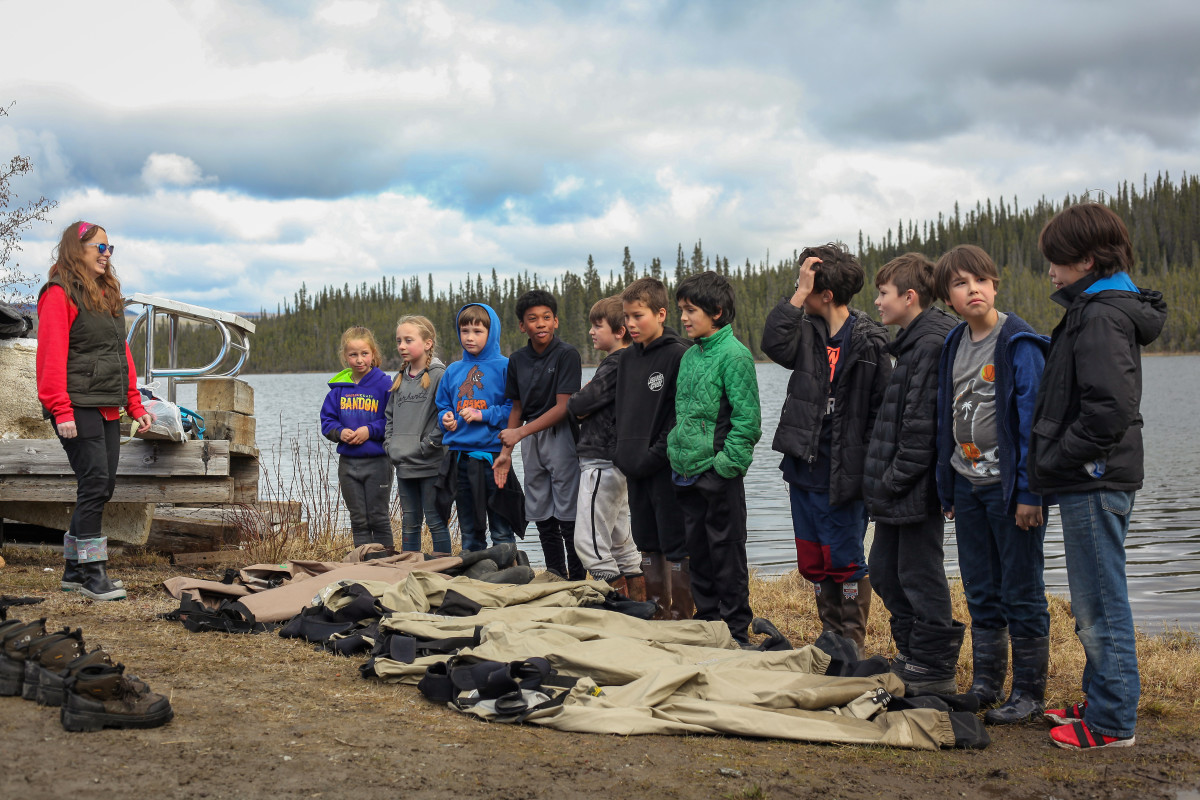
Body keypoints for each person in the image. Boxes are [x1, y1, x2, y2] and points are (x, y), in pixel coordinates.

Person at [1031, 203, 1165, 750]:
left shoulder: (1102, 315)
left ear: (1087, 260)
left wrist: (1060, 457)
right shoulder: (1099, 307)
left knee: (1100, 603)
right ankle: (1101, 698)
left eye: (1057, 262)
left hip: (1095, 477)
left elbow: (1108, 410)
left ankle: (1111, 724)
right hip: (1095, 477)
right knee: (1095, 598)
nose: (1050, 272)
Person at [934, 244, 1051, 723]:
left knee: (1020, 588)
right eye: (960, 284)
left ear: (995, 284)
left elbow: (1032, 425)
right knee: (980, 586)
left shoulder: (1018, 343)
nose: (972, 289)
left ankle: (1028, 693)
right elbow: (947, 417)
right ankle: (986, 683)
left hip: (1009, 489)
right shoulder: (954, 344)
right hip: (967, 484)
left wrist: (1029, 492)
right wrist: (947, 488)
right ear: (948, 299)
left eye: (979, 280)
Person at [761, 243, 891, 657]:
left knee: (845, 556)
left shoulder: (870, 341)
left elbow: (880, 413)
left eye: (807, 286)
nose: (800, 291)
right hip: (805, 465)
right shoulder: (806, 332)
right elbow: (771, 343)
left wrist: (872, 470)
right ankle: (829, 632)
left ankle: (851, 639)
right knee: (813, 557)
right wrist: (798, 294)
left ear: (827, 294)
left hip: (846, 471)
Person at [35, 221, 152, 602]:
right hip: (75, 405)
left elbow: (122, 354)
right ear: (76, 249)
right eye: (98, 248)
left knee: (103, 486)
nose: (105, 254)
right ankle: (91, 573)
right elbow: (50, 357)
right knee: (95, 483)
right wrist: (60, 410)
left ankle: (72, 570)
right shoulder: (58, 294)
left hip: (105, 405)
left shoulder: (106, 293)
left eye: (109, 248)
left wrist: (135, 404)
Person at [863, 253, 964, 693]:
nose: (878, 303)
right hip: (898, 489)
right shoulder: (912, 341)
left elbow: (921, 426)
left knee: (919, 574)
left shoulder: (930, 342)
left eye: (883, 294)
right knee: (884, 569)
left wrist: (894, 479)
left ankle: (935, 668)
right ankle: (912, 654)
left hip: (915, 488)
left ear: (910, 296)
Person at [667, 271, 761, 644]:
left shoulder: (735, 355)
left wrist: (724, 467)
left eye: (691, 310)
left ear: (717, 311)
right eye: (681, 310)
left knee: (727, 554)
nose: (684, 318)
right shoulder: (690, 355)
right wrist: (676, 449)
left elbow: (747, 422)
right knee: (699, 555)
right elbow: (683, 413)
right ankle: (707, 624)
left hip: (717, 474)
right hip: (686, 472)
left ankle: (736, 630)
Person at [614, 277, 691, 619]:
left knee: (675, 541)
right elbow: (622, 412)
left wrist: (653, 456)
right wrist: (623, 455)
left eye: (638, 316)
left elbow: (678, 417)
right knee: (646, 540)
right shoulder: (627, 359)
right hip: (633, 469)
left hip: (665, 468)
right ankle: (658, 608)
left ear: (661, 314)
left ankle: (681, 614)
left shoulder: (678, 354)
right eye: (627, 316)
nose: (630, 323)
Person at [496, 290, 583, 579]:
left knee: (567, 512)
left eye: (547, 317)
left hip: (560, 435)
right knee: (541, 510)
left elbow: (563, 407)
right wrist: (506, 452)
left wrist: (519, 433)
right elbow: (517, 406)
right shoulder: (517, 359)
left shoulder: (567, 354)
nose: (541, 323)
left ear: (556, 321)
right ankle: (555, 574)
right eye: (533, 319)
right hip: (529, 438)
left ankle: (577, 577)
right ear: (523, 326)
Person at [567, 296, 642, 593]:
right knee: (620, 541)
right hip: (616, 460)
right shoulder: (631, 360)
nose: (591, 332)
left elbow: (580, 403)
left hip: (601, 459)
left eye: (598, 326)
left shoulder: (616, 363)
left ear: (619, 330)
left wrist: (579, 401)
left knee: (589, 544)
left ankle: (618, 605)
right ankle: (642, 602)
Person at [436, 303, 515, 551]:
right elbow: (443, 405)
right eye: (464, 330)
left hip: (494, 457)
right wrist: (446, 418)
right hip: (460, 458)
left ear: (492, 332)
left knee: (501, 527)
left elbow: (514, 410)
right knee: (469, 529)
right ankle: (473, 576)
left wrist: (483, 415)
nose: (470, 337)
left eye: (478, 331)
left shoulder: (505, 367)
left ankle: (507, 572)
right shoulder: (453, 370)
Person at [321, 326, 394, 549]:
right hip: (348, 464)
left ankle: (387, 563)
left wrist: (369, 431)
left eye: (364, 354)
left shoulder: (385, 385)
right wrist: (339, 432)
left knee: (378, 517)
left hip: (378, 463)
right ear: (345, 357)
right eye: (353, 354)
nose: (359, 359)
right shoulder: (338, 389)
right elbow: (327, 421)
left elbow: (392, 420)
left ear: (373, 354)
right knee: (359, 520)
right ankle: (364, 564)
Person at [385, 315, 449, 555]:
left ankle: (444, 571)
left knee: (436, 521)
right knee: (410, 524)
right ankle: (408, 572)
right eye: (399, 340)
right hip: (404, 464)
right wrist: (390, 445)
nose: (401, 346)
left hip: (431, 464)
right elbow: (389, 416)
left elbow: (445, 418)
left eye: (408, 340)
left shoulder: (439, 376)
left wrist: (427, 446)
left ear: (428, 343)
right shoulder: (399, 378)